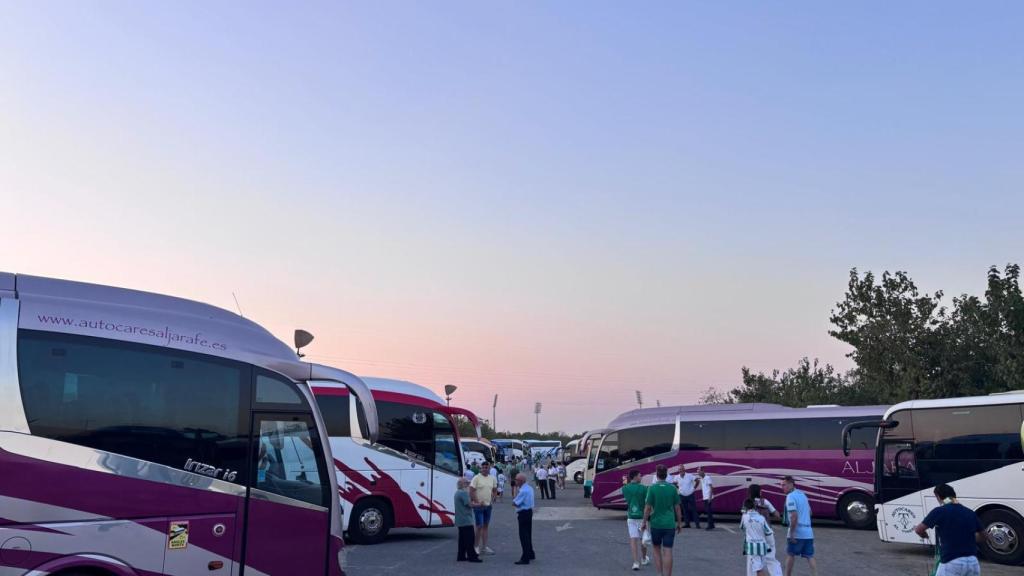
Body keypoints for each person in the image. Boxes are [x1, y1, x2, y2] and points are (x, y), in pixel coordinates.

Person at [913, 484, 984, 576]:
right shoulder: (970, 512)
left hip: (951, 561)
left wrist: (924, 535)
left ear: (938, 496)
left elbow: (919, 530)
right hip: (973, 562)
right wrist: (966, 539)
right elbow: (984, 536)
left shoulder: (939, 511)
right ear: (954, 495)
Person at [641, 465, 682, 576]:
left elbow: (647, 508)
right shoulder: (673, 488)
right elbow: (677, 508)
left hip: (656, 524)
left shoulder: (652, 488)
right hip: (669, 524)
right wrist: (679, 523)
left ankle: (659, 574)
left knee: (656, 549)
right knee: (668, 550)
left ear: (656, 474)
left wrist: (644, 522)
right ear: (666, 474)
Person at [782, 476, 817, 576]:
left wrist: (792, 533)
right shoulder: (803, 495)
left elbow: (794, 516)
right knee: (810, 556)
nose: (782, 487)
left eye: (784, 485)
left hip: (798, 532)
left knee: (790, 554)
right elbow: (810, 512)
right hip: (808, 532)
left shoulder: (790, 497)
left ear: (790, 484)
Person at [623, 470, 651, 571]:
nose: (641, 477)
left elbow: (627, 499)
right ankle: (643, 558)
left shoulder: (625, 488)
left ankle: (635, 562)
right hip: (642, 516)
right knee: (643, 539)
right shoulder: (644, 488)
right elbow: (647, 503)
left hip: (631, 516)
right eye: (640, 475)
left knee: (633, 539)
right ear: (635, 477)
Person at [741, 498, 775, 576]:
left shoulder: (745, 517)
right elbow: (768, 532)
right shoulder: (761, 518)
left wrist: (744, 509)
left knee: (758, 570)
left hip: (752, 547)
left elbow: (742, 527)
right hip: (763, 546)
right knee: (761, 568)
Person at [470, 461, 498, 556]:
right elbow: (471, 491)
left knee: (485, 526)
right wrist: (477, 502)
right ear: (481, 468)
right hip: (479, 507)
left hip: (488, 506)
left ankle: (484, 547)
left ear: (489, 468)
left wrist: (494, 497)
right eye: (483, 467)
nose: (485, 469)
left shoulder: (492, 478)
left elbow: (494, 489)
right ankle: (476, 546)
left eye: (487, 467)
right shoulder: (476, 478)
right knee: (479, 526)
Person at [455, 478, 483, 563]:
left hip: (460, 519)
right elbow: (469, 504)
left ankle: (461, 555)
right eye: (466, 483)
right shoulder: (463, 493)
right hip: (466, 519)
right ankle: (472, 556)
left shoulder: (457, 492)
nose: (467, 484)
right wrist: (479, 504)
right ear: (462, 484)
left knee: (462, 539)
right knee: (470, 539)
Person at [513, 473, 536, 565]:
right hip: (529, 511)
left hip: (523, 513)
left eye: (516, 480)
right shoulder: (529, 488)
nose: (515, 481)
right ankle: (530, 553)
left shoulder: (522, 491)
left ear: (521, 481)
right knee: (528, 534)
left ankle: (525, 557)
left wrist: (515, 492)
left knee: (523, 536)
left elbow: (515, 502)